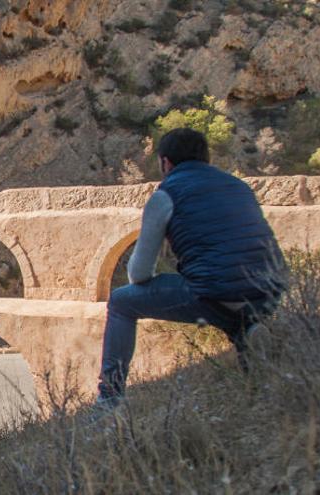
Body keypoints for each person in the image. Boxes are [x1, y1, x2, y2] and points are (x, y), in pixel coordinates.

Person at [97, 127, 285, 406]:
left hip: (214, 292)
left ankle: (109, 398)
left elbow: (138, 273)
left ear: (165, 162)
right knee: (231, 299)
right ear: (206, 158)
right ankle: (251, 340)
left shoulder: (165, 195)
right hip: (269, 291)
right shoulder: (240, 187)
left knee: (122, 301)